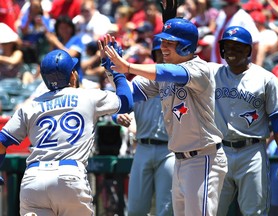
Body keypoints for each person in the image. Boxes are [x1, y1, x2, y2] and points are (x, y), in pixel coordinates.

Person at [100, 17, 228, 216]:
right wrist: (113, 70)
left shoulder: (199, 68)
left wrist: (128, 67)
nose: (163, 47)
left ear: (186, 46)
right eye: (163, 42)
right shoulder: (162, 76)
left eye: (170, 43)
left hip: (203, 157)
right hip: (180, 159)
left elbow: (171, 73)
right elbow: (127, 96)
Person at [0, 48, 133, 215]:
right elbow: (126, 102)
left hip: (34, 179)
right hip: (69, 175)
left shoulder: (30, 106)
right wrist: (114, 69)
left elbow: (2, 141)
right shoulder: (88, 97)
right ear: (72, 75)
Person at [208, 26, 278, 216]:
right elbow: (180, 67)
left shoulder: (265, 78)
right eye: (228, 46)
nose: (232, 51)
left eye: (238, 47)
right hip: (220, 151)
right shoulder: (213, 73)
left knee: (255, 213)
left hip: (252, 152)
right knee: (212, 211)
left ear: (248, 50)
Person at [113, 36, 175, 216]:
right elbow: (120, 101)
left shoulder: (181, 80)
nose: (163, 54)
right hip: (143, 147)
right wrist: (118, 114)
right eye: (159, 51)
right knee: (135, 210)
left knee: (166, 210)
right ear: (155, 54)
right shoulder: (142, 80)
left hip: (169, 149)